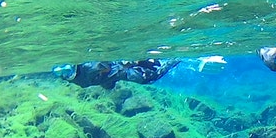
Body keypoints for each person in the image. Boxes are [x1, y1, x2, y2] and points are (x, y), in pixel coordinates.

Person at [52, 58, 180, 89]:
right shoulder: (82, 77)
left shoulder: (87, 68)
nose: (65, 74)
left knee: (151, 77)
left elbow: (106, 69)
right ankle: (174, 59)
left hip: (124, 71)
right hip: (124, 71)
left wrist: (128, 64)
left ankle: (175, 59)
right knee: (151, 72)